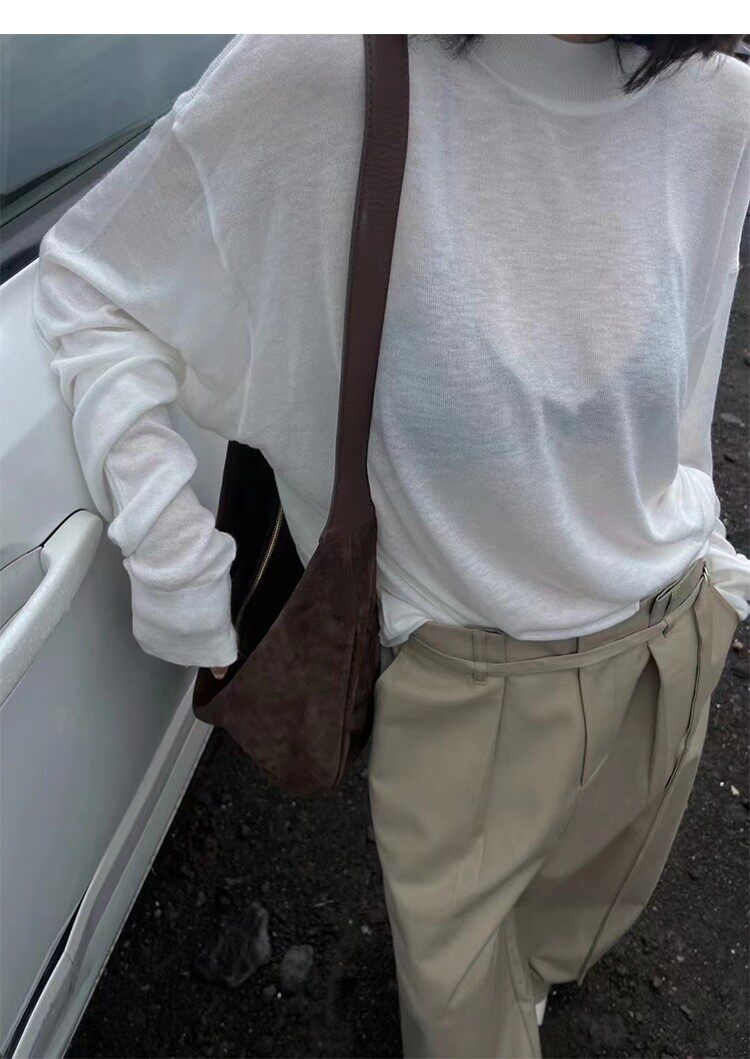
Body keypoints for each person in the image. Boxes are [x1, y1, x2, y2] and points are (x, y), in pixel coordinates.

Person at [33, 33, 749, 1059]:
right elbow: (91, 281)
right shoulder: (328, 72)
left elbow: (689, 372)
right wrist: (169, 545)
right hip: (470, 692)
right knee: (459, 1018)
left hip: (673, 641)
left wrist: (711, 551)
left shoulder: (719, 104)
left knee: (573, 929)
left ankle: (533, 981)